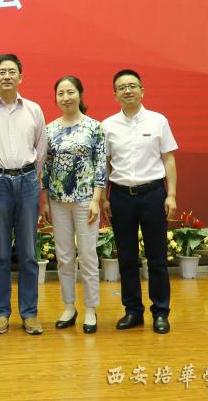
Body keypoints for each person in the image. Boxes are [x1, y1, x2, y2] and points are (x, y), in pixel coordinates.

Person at [0, 53, 47, 336]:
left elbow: (41, 149)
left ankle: (30, 314)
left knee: (28, 252)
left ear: (20, 77)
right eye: (1, 72)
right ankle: (1, 313)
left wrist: (28, 174)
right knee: (1, 253)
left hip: (27, 182)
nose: (6, 76)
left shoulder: (34, 110)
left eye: (11, 71)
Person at [101, 69, 178, 334]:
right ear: (115, 95)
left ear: (142, 90)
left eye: (132, 86)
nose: (128, 91)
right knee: (126, 257)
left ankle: (161, 312)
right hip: (121, 196)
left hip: (153, 194)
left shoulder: (158, 121)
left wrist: (171, 195)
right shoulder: (107, 125)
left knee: (157, 257)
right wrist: (105, 197)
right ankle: (133, 311)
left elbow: (168, 159)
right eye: (122, 88)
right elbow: (105, 164)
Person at [41, 76, 106, 334]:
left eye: (70, 92)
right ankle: (69, 306)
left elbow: (100, 165)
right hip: (57, 201)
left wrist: (96, 199)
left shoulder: (94, 127)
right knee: (65, 257)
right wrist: (45, 200)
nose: (66, 97)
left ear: (80, 94)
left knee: (88, 256)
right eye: (61, 93)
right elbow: (46, 167)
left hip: (85, 200)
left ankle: (90, 309)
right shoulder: (49, 129)